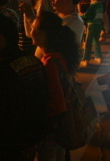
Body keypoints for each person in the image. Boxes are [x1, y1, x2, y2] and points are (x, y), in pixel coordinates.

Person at [0, 13, 48, 161]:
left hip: (6, 147)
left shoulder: (2, 69)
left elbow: (4, 114)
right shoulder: (32, 61)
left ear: (1, 39)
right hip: (29, 140)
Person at [30, 11, 80, 161]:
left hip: (50, 135)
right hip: (59, 133)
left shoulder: (50, 64)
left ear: (43, 34)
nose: (31, 32)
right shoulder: (59, 57)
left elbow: (57, 105)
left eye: (33, 28)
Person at [80, 0, 104, 67]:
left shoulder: (93, 5)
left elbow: (87, 15)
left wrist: (79, 16)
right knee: (96, 41)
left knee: (88, 42)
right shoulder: (100, 5)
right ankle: (98, 57)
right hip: (99, 24)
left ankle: (85, 60)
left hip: (92, 25)